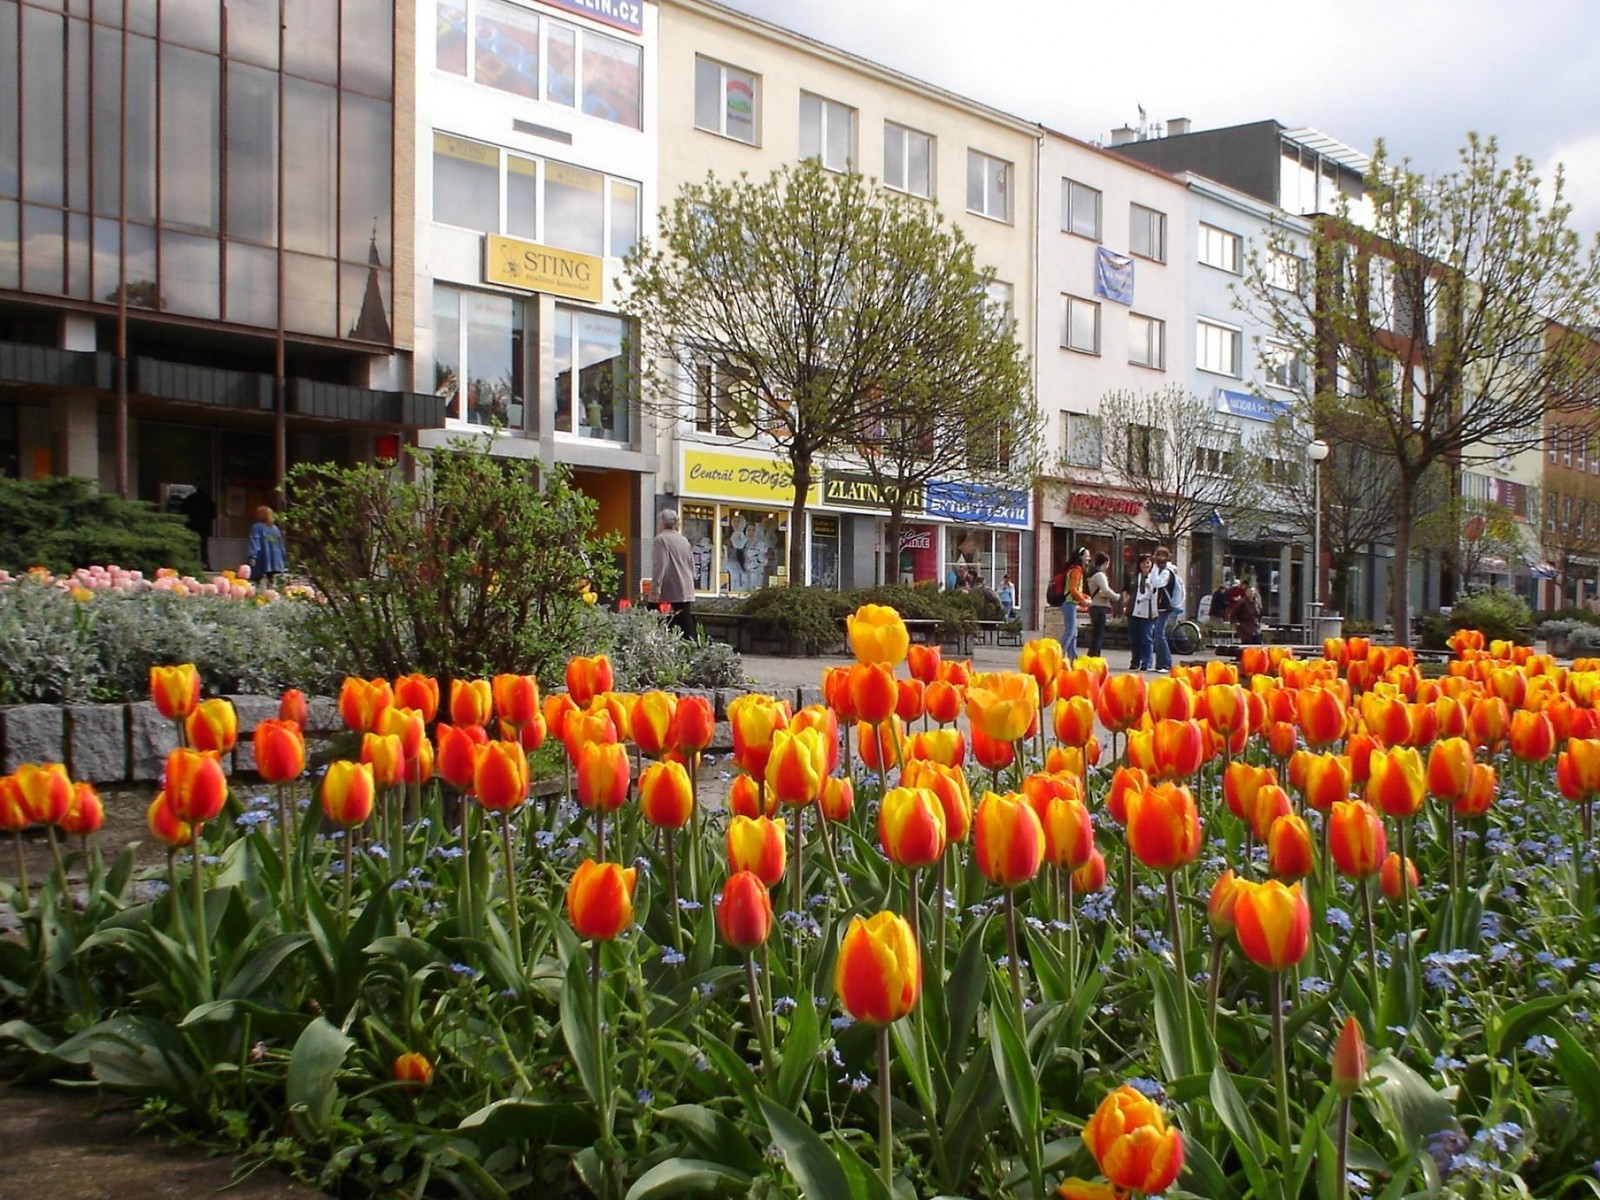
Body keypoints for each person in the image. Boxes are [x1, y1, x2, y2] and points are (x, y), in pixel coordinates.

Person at [652, 507, 696, 640]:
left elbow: (660, 566)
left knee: (661, 622)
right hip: (686, 587)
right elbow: (691, 564)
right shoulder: (683, 540)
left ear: (662, 522)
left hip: (669, 588)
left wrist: (655, 591)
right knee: (685, 621)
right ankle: (692, 649)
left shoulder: (661, 540)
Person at [1127, 553, 1159, 670]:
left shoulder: (1154, 578)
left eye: (1148, 562)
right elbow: (1126, 590)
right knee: (1134, 638)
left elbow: (1156, 591)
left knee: (1146, 638)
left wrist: (1152, 588)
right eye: (1143, 562)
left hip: (1148, 612)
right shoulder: (1134, 577)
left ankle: (1146, 662)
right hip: (1134, 611)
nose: (1146, 565)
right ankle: (1135, 661)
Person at [1060, 547, 1089, 661]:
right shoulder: (1076, 570)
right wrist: (1083, 601)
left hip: (1070, 602)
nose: (1089, 558)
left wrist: (1085, 597)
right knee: (1070, 631)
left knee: (1073, 632)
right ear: (1081, 557)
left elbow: (1076, 590)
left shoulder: (1073, 569)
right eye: (1087, 555)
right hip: (1069, 603)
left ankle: (1073, 658)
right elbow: (1073, 590)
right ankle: (1058, 655)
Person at [1086, 551, 1117, 657]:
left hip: (1093, 605)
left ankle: (1092, 654)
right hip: (1099, 606)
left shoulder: (1092, 573)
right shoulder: (1100, 575)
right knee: (1098, 634)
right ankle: (1094, 655)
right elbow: (1106, 589)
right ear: (1105, 562)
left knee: (1095, 633)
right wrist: (1116, 596)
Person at [248, 505, 287, 586]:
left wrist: (252, 556)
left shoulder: (256, 527)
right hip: (275, 560)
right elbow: (280, 545)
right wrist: (282, 558)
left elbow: (255, 541)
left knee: (255, 582)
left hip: (261, 559)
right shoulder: (275, 529)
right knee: (273, 583)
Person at [179, 487, 216, 570]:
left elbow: (182, 512)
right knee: (204, 548)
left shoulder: (190, 499)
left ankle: (191, 566)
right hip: (204, 526)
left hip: (192, 526)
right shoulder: (208, 500)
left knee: (192, 547)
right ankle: (205, 566)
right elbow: (213, 515)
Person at [1232, 580, 1265, 644]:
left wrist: (1259, 621)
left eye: (1253, 591)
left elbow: (1260, 613)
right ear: (1246, 592)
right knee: (1247, 645)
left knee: (1257, 643)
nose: (1252, 593)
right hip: (1245, 627)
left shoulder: (1257, 602)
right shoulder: (1242, 602)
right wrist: (1236, 622)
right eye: (1250, 591)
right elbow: (1234, 613)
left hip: (1255, 627)